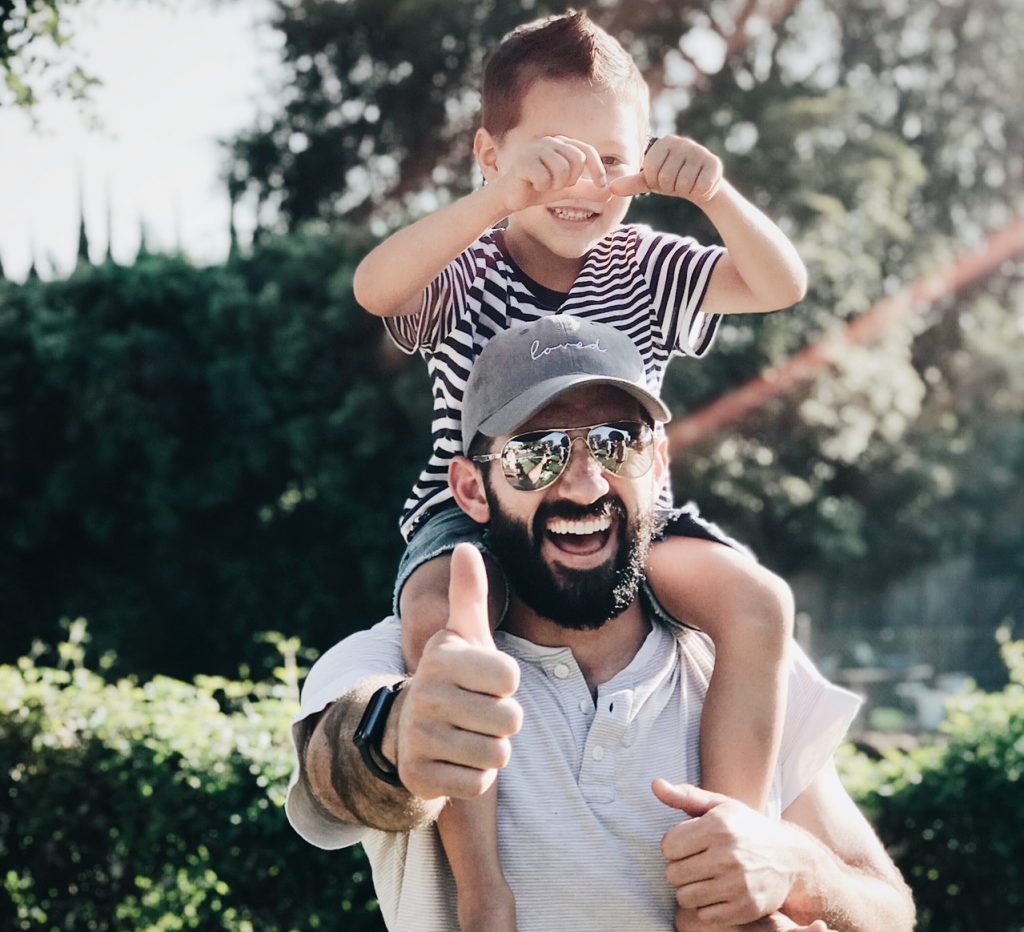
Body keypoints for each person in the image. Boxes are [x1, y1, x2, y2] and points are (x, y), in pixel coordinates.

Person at [353, 12, 809, 929]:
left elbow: (779, 284)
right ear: (492, 152)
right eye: (551, 157)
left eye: (611, 158)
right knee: (444, 614)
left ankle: (725, 849)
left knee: (759, 605)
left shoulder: (645, 265)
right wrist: (492, 201)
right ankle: (483, 887)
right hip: (474, 513)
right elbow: (376, 288)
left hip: (630, 515)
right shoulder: (466, 268)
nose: (582, 183)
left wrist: (714, 195)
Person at [287, 316, 916, 932]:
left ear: (659, 464)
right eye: (537, 453)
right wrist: (393, 737)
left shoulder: (737, 664)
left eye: (618, 443)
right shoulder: (406, 661)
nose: (586, 485)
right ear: (472, 489)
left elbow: (889, 910)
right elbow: (333, 776)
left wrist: (801, 869)